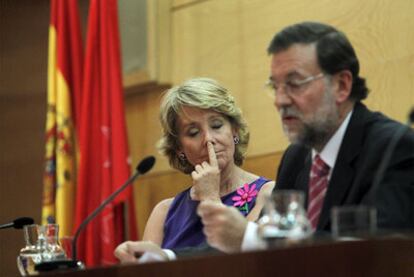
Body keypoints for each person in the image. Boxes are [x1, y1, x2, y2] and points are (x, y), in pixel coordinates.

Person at [116, 21, 414, 261]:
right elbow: (272, 254)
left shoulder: (393, 148)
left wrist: (246, 235)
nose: (280, 101)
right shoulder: (297, 158)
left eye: (294, 84)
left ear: (341, 85)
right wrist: (166, 257)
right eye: (275, 86)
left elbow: (381, 254)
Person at [114, 78, 275, 263]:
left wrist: (211, 198)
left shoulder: (267, 194)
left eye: (216, 125)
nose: (208, 139)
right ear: (179, 149)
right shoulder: (164, 212)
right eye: (193, 132)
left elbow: (245, 266)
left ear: (235, 131)